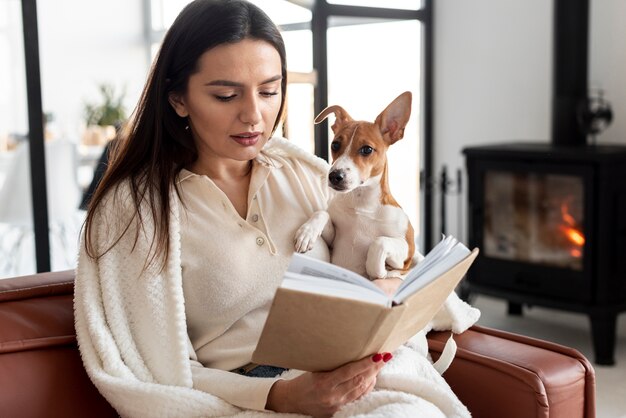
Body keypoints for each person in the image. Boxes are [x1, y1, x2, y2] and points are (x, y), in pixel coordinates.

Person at [75, 1, 477, 417]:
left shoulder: (301, 174)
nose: (254, 115)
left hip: (351, 371)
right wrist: (280, 396)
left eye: (269, 91)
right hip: (246, 398)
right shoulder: (139, 211)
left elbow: (393, 259)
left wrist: (392, 289)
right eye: (226, 94)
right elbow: (154, 372)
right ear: (178, 99)